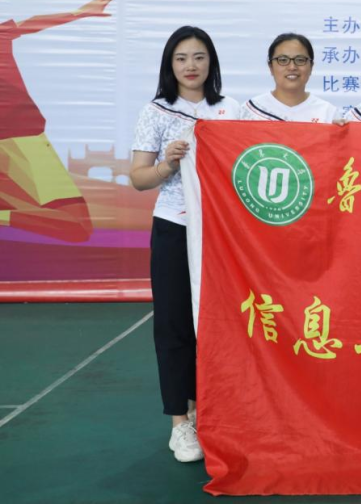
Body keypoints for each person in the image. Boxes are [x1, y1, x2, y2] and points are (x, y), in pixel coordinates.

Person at [130, 26, 239, 463]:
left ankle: (219, 411)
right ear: (169, 65)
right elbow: (138, 178)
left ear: (211, 62)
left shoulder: (231, 110)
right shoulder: (156, 111)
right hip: (174, 228)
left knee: (224, 323)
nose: (190, 66)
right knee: (174, 324)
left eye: (198, 57)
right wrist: (167, 165)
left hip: (224, 232)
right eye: (181, 58)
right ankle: (181, 423)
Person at [0, 0, 114, 242]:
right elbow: (31, 23)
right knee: (76, 224)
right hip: (20, 138)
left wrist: (80, 12)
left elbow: (31, 23)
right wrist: (80, 12)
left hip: (20, 136)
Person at [241, 33, 341, 123]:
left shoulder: (327, 113)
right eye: (283, 60)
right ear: (271, 67)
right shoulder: (251, 110)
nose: (292, 67)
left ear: (311, 67)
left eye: (300, 60)